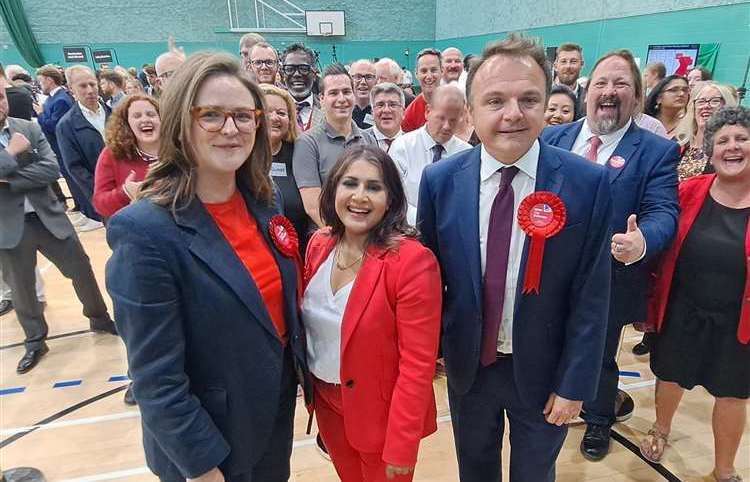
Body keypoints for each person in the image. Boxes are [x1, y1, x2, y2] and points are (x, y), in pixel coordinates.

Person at [418, 34, 613, 482]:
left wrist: (574, 383)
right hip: (470, 369)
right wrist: (433, 351)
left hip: (546, 373)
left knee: (534, 474)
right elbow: (430, 279)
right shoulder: (440, 181)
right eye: (495, 100)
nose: (512, 114)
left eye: (529, 99)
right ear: (470, 112)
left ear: (547, 104)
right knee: (476, 470)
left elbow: (592, 294)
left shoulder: (587, 183)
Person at [106, 52, 308, 482]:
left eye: (242, 115)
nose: (231, 129)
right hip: (208, 445)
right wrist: (203, 468)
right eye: (211, 115)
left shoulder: (264, 201)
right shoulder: (144, 231)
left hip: (270, 419)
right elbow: (155, 379)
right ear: (182, 121)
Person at [542, 49, 680, 462]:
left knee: (598, 355)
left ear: (637, 97)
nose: (609, 91)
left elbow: (663, 212)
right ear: (586, 92)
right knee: (546, 345)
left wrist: (642, 243)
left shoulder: (655, 151)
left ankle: (600, 419)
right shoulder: (554, 138)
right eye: (601, 82)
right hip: (545, 275)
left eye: (621, 84)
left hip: (608, 279)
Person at [302, 144, 441, 482]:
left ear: (391, 200)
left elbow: (418, 365)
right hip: (327, 402)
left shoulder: (412, 261)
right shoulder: (319, 244)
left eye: (374, 187)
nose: (359, 196)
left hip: (381, 414)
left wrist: (402, 443)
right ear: (333, 188)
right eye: (350, 183)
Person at [640, 106, 750, 482]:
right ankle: (661, 428)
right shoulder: (687, 191)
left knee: (733, 394)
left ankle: (724, 469)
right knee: (670, 376)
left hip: (740, 322)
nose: (732, 147)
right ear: (710, 149)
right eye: (723, 141)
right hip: (682, 309)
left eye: (742, 139)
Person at [0, 75, 116, 375]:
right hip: (10, 224)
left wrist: (7, 178)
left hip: (47, 215)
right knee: (22, 286)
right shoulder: (18, 140)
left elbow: (51, 168)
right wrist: (12, 154)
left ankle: (99, 317)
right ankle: (35, 340)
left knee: (81, 268)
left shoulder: (27, 126)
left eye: (1, 97)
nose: (1, 104)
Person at [293, 64, 374, 229]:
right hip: (328, 240)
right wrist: (346, 239)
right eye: (333, 93)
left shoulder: (369, 140)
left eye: (346, 91)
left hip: (367, 237)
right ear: (321, 99)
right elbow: (313, 206)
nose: (341, 99)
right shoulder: (307, 143)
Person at [390, 84, 471, 224]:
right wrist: (427, 220)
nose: (446, 126)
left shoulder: (467, 154)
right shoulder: (402, 148)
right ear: (427, 111)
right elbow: (393, 198)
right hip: (409, 231)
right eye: (441, 118)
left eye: (453, 120)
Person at [56, 65, 109, 231]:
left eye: (92, 84)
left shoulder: (115, 113)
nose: (90, 90)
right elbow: (75, 167)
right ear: (71, 89)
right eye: (83, 86)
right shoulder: (66, 125)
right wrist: (100, 190)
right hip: (103, 193)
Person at [260, 83, 310, 256]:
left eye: (281, 113)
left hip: (297, 252)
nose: (274, 118)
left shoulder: (300, 152)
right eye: (268, 112)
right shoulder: (241, 156)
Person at [93, 94, 160, 218]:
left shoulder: (178, 149)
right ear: (127, 123)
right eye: (137, 116)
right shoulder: (112, 154)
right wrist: (125, 192)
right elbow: (100, 204)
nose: (145, 119)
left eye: (151, 114)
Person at [674, 82, 738, 181]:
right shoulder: (677, 144)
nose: (706, 106)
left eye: (715, 101)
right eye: (701, 101)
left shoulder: (733, 151)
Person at [281, 43, 324, 132]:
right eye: (289, 69)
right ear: (283, 74)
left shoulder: (327, 110)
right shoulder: (273, 111)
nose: (296, 74)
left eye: (303, 69)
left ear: (314, 74)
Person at [401, 49, 442, 132]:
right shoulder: (409, 115)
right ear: (416, 74)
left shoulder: (457, 105)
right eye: (424, 71)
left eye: (433, 70)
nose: (429, 76)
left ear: (442, 71)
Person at [364, 82, 405, 152]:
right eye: (380, 105)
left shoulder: (414, 144)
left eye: (392, 105)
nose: (386, 110)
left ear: (403, 112)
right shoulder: (361, 141)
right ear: (372, 112)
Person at [553, 43, 586, 119]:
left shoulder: (588, 99)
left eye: (573, 61)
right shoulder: (544, 95)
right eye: (563, 61)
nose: (568, 66)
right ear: (555, 66)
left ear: (581, 64)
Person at [350, 60, 377, 129]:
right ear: (350, 80)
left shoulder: (382, 111)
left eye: (368, 77)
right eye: (358, 77)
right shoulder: (343, 111)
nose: (363, 82)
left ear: (376, 81)